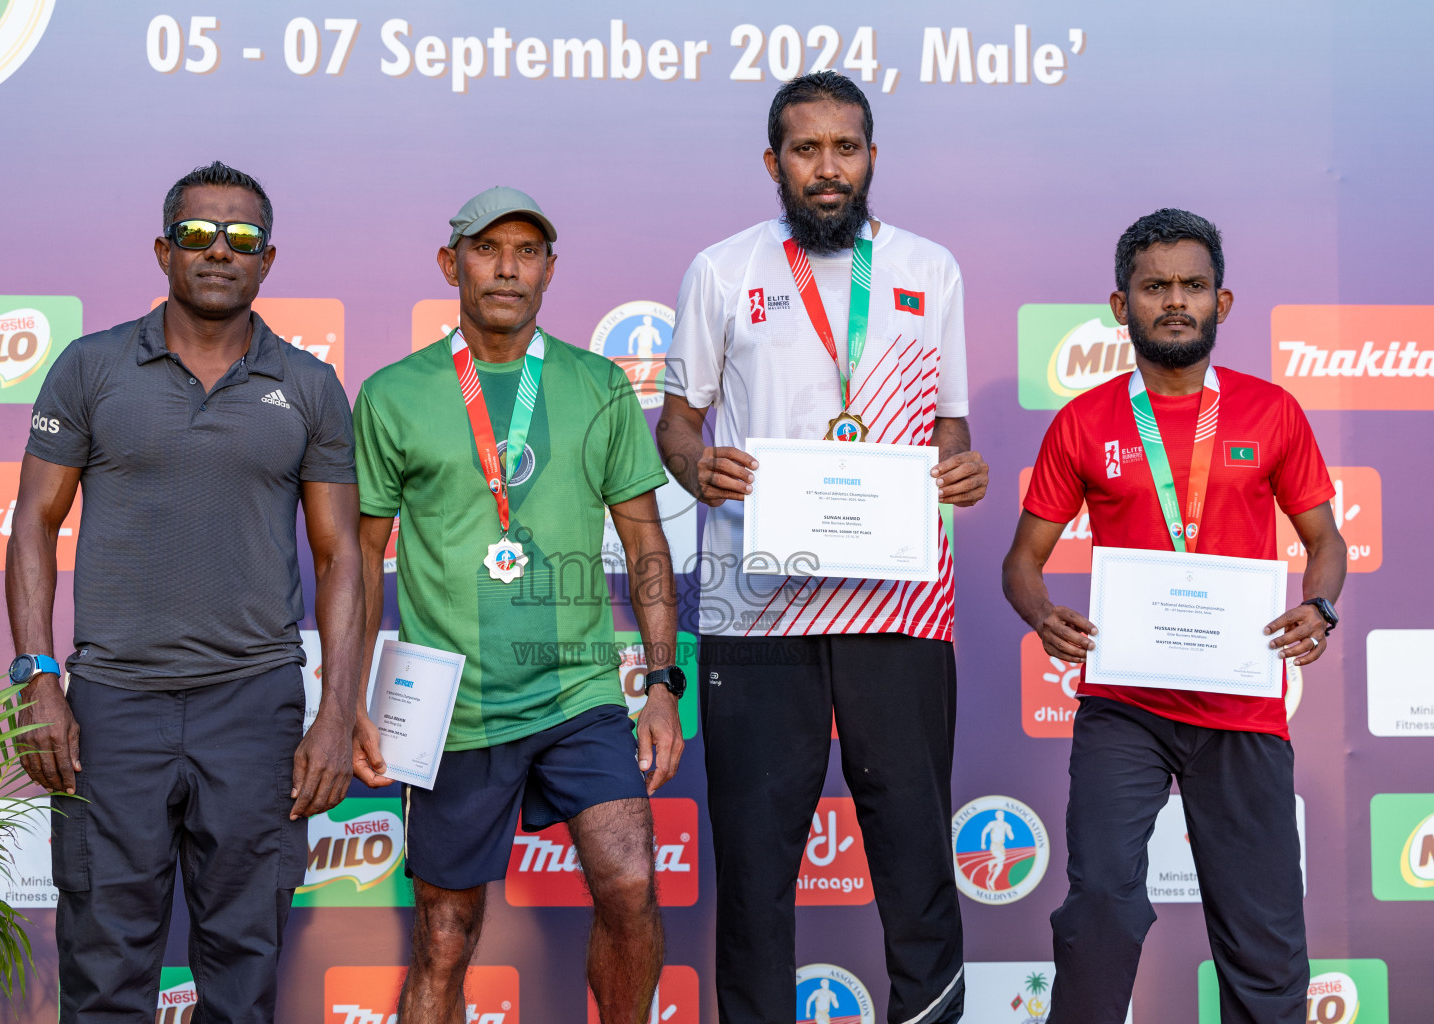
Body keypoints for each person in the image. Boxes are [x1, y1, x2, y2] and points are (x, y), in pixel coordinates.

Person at [657, 71, 988, 1024]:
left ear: (873, 157)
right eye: (807, 149)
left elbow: (949, 435)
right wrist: (699, 467)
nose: (828, 167)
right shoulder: (723, 270)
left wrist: (959, 473)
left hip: (900, 605)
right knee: (756, 864)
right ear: (774, 164)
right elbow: (678, 427)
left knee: (916, 848)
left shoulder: (932, 269)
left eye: (846, 147)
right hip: (757, 606)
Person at [5, 161, 365, 1022]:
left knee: (243, 973)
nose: (218, 250)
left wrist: (335, 713)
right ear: (163, 249)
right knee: (102, 969)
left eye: (240, 238)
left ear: (267, 260)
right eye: (198, 233)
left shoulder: (310, 387)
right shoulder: (91, 369)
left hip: (254, 707)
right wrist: (37, 677)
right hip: (111, 707)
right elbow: (31, 524)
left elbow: (341, 557)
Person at [1002, 209, 1347, 1023]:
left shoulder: (1272, 412)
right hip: (1125, 704)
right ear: (1120, 306)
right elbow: (1022, 561)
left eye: (1193, 285)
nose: (1175, 301)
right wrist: (1043, 615)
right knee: (1100, 911)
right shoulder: (1084, 421)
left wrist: (1320, 607)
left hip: (1243, 703)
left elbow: (1326, 541)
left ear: (1223, 303)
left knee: (1263, 936)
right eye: (1154, 286)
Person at [352, 187, 686, 1024]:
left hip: (579, 693)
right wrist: (351, 700)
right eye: (486, 247)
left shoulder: (598, 382)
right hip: (455, 703)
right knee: (443, 933)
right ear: (450, 263)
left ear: (549, 270)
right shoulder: (394, 394)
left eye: (527, 250)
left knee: (632, 884)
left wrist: (660, 684)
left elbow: (646, 540)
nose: (507, 266)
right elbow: (356, 555)